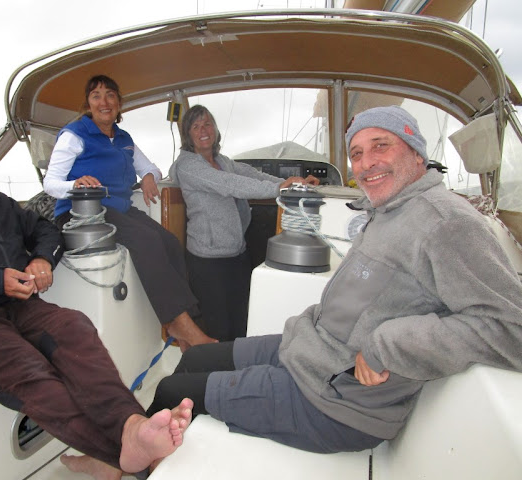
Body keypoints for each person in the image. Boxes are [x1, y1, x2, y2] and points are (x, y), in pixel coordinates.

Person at [147, 106, 522, 453]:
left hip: (335, 401)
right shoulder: (390, 210)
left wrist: (388, 345)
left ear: (417, 153)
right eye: (357, 153)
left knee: (169, 390)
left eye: (381, 145)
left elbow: (510, 327)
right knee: (195, 358)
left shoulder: (446, 222)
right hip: (312, 351)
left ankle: (137, 461)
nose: (367, 162)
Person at [0, 124, 193, 480]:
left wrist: (43, 258)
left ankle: (131, 424)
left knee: (75, 328)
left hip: (17, 307)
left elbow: (45, 230)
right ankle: (122, 455)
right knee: (28, 365)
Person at [44, 75, 215, 350]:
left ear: (119, 103)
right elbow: (50, 184)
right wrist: (75, 184)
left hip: (119, 210)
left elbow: (152, 168)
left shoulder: (123, 139)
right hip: (82, 213)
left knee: (170, 243)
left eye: (110, 95)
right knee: (146, 241)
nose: (104, 101)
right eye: (96, 96)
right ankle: (177, 323)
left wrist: (147, 176)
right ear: (88, 104)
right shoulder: (74, 135)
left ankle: (189, 326)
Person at [169, 105, 319, 341]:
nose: (203, 130)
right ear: (188, 135)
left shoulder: (223, 161)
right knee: (219, 327)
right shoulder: (188, 166)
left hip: (236, 252)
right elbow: (228, 184)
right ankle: (218, 365)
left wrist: (289, 182)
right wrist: (277, 188)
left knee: (242, 321)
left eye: (207, 124)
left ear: (215, 129)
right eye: (195, 127)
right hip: (208, 259)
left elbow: (252, 175)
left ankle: (237, 362)